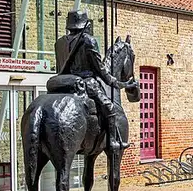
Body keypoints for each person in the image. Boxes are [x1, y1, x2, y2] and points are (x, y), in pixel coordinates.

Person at [55, 9, 134, 150]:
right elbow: (100, 68)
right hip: (85, 82)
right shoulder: (88, 40)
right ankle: (112, 142)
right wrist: (115, 82)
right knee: (110, 108)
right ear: (85, 24)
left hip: (63, 83)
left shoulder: (59, 43)